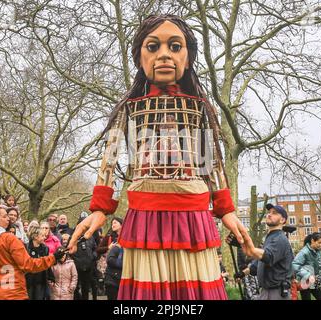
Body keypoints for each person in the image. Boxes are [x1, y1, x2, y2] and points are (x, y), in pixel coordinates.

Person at [67, 15, 251, 300]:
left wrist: (225, 208)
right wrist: (100, 208)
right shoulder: (129, 109)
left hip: (193, 216)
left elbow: (211, 161)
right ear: (140, 58)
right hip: (145, 214)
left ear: (188, 58)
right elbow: (110, 159)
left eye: (175, 46)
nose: (164, 54)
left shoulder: (200, 107)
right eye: (153, 47)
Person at [0, 207, 66, 300]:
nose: (8, 218)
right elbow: (28, 265)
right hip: (14, 294)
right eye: (4, 216)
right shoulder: (9, 239)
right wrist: (53, 257)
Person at [240, 204, 294, 300]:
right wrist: (243, 273)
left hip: (276, 293)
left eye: (274, 213)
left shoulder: (280, 239)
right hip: (266, 291)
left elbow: (268, 256)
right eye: (269, 212)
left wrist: (248, 244)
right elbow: (258, 264)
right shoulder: (270, 238)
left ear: (282, 220)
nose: (269, 215)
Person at [292, 232, 321, 300]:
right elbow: (294, 265)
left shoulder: (318, 252)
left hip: (315, 283)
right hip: (304, 282)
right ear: (312, 241)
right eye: (319, 242)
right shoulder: (304, 252)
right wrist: (309, 275)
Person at [72, 217, 98, 300]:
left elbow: (95, 249)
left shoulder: (90, 237)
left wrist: (92, 256)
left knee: (85, 289)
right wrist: (75, 260)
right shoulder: (74, 237)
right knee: (75, 289)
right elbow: (69, 250)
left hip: (88, 267)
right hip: (76, 268)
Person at [25, 224, 50, 300]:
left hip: (40, 281)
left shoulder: (45, 248)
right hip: (28, 281)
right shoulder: (26, 247)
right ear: (35, 237)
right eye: (42, 236)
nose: (44, 238)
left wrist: (50, 277)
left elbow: (47, 263)